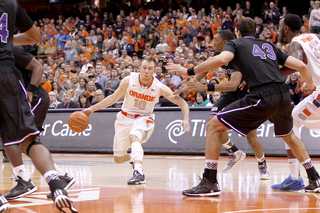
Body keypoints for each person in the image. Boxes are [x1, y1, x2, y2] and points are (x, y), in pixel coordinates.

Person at [166, 17, 320, 197]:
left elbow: (221, 59)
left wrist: (188, 70)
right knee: (290, 136)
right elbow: (301, 65)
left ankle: (210, 181)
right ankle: (314, 177)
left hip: (262, 96)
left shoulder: (235, 44)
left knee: (213, 126)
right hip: (283, 95)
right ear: (254, 32)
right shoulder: (268, 45)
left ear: (237, 32)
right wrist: (309, 84)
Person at [0, 0, 77, 212]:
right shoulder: (11, 4)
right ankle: (55, 183)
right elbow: (35, 36)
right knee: (26, 140)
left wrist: (32, 91)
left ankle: (29, 180)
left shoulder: (20, 53)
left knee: (13, 140)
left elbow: (38, 66)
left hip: (35, 94)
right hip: (8, 79)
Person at [173, 30, 270, 179]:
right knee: (211, 123)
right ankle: (234, 151)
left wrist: (205, 87)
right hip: (230, 95)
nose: (213, 42)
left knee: (251, 138)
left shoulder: (238, 58)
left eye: (216, 39)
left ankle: (262, 163)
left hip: (247, 95)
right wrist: (188, 86)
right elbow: (203, 71)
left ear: (225, 42)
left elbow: (233, 84)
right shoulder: (219, 57)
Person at [82, 56, 190, 185]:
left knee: (134, 137)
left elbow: (182, 103)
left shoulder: (159, 87)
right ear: (139, 68)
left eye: (150, 69)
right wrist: (92, 109)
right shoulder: (128, 81)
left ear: (154, 70)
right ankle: (133, 159)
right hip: (124, 118)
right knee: (118, 158)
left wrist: (186, 119)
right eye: (144, 68)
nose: (146, 71)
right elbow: (113, 98)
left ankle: (139, 172)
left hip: (144, 118)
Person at [3, 45, 76, 200]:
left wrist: (30, 91)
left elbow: (38, 68)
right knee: (18, 141)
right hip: (18, 99)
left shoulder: (12, 49)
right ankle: (61, 177)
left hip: (33, 97)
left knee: (22, 140)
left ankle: (24, 181)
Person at [271, 14, 320, 191]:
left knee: (290, 123)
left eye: (279, 27)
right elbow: (306, 63)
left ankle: (294, 177)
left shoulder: (295, 43)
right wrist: (307, 79)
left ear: (286, 29)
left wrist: (271, 74)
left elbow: (296, 65)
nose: (278, 30)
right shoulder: (314, 36)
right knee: (294, 120)